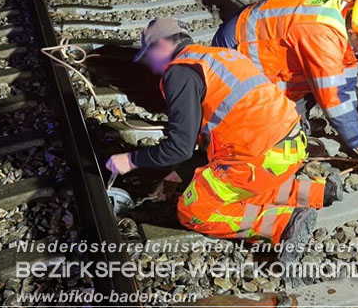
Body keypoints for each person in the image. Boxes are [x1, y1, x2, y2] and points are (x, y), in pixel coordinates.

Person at [105, 17, 343, 258]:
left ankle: (282, 225)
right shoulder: (218, 57)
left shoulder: (178, 72)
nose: (151, 65)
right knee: (240, 186)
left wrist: (131, 160)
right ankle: (318, 192)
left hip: (260, 157)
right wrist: (177, 173)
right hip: (290, 147)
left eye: (150, 56)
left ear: (162, 46)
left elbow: (179, 148)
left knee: (193, 209)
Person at [212, 0, 358, 171]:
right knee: (276, 140)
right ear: (354, 33)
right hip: (236, 50)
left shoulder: (347, 21)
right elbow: (335, 102)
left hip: (258, 41)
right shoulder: (323, 37)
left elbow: (345, 87)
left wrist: (356, 137)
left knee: (296, 119)